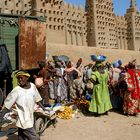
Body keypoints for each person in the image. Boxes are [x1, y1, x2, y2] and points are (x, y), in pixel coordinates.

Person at [0, 70, 44, 140]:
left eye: (21, 78)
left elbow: (37, 98)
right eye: (18, 78)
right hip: (23, 119)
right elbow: (7, 105)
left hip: (30, 116)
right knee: (34, 137)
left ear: (27, 78)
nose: (20, 80)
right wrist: (1, 117)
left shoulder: (32, 86)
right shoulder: (16, 90)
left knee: (22, 137)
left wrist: (43, 108)